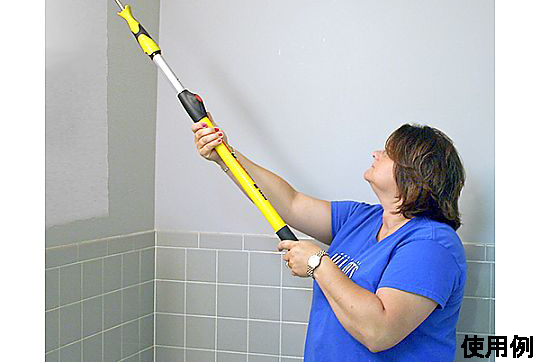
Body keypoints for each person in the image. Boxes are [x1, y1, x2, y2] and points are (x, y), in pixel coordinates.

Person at [192, 116, 467, 361]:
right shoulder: (361, 218)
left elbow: (378, 332)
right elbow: (291, 203)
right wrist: (225, 155)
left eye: (388, 152)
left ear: (414, 172)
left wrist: (317, 263)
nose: (376, 153)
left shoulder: (433, 245)